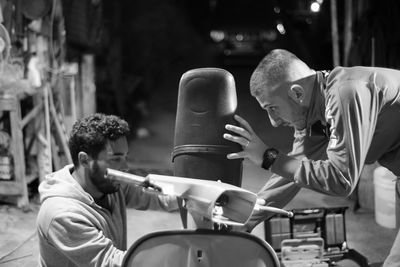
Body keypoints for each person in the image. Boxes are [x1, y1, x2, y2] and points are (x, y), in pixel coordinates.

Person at [223, 49, 400, 266]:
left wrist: (268, 157)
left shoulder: (346, 92)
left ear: (297, 93)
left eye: (273, 108)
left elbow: (341, 180)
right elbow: (289, 173)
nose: (273, 122)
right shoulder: (312, 113)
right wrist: (244, 220)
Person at [36, 113, 178, 267]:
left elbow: (158, 198)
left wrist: (195, 195)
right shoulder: (62, 214)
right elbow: (111, 262)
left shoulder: (110, 184)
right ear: (84, 160)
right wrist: (175, 259)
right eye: (115, 159)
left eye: (125, 157)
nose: (125, 168)